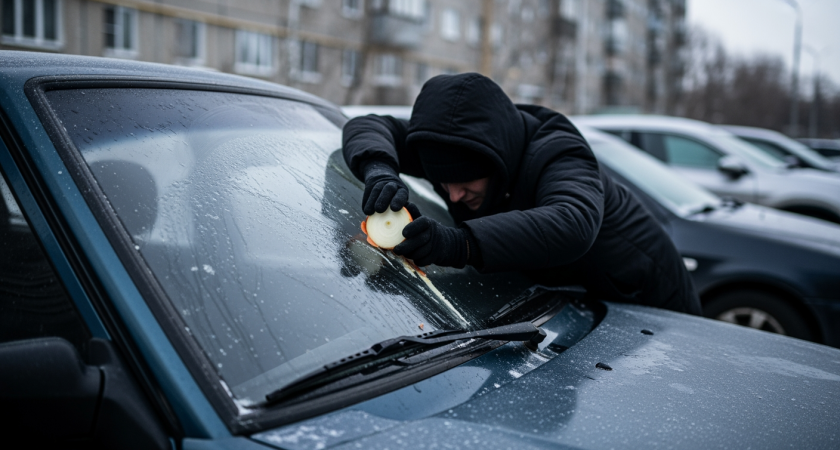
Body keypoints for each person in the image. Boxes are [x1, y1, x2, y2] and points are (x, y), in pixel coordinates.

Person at [342, 73, 701, 315]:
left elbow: (572, 224)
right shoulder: (441, 148)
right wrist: (379, 169)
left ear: (498, 157)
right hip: (565, 305)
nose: (453, 196)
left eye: (467, 181)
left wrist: (458, 244)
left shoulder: (558, 152)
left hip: (648, 306)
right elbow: (367, 124)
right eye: (442, 181)